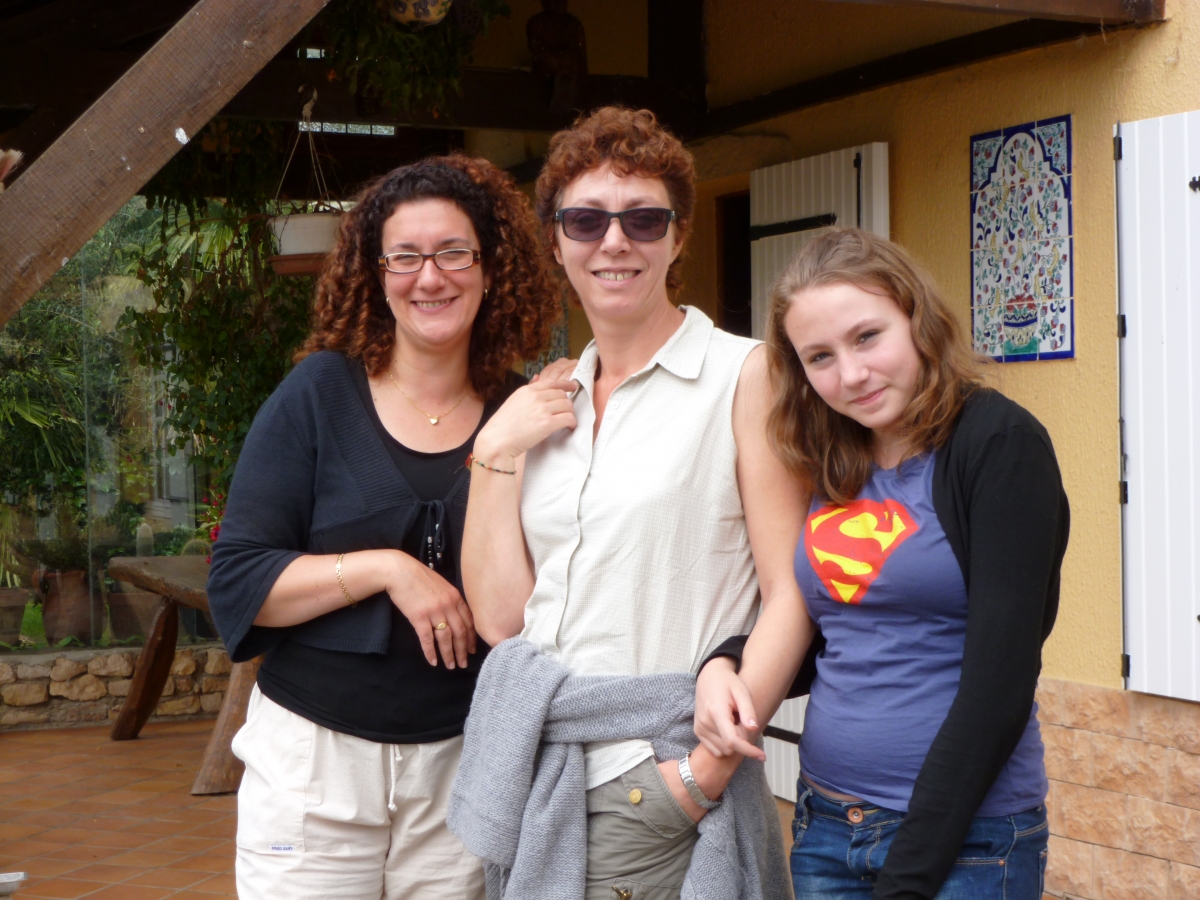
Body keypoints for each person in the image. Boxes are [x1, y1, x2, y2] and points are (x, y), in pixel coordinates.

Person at [448, 106, 807, 900]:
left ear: (678, 237)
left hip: (656, 775)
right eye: (586, 220)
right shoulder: (548, 403)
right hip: (542, 774)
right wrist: (494, 452)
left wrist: (702, 777)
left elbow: (791, 592)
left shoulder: (743, 376)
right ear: (555, 242)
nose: (614, 241)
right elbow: (504, 622)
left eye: (643, 219)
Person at [206, 154, 560, 899]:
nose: (429, 278)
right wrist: (389, 570)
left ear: (491, 268)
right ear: (376, 272)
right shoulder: (319, 394)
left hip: (462, 767)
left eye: (453, 253)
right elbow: (239, 581)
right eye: (405, 256)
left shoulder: (521, 416)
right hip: (314, 764)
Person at [693, 228, 1069, 899]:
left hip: (965, 846)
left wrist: (910, 876)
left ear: (916, 318)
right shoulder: (837, 457)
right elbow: (836, 629)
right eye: (820, 357)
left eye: (867, 337)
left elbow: (1001, 684)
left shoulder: (999, 443)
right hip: (828, 826)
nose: (851, 374)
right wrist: (723, 662)